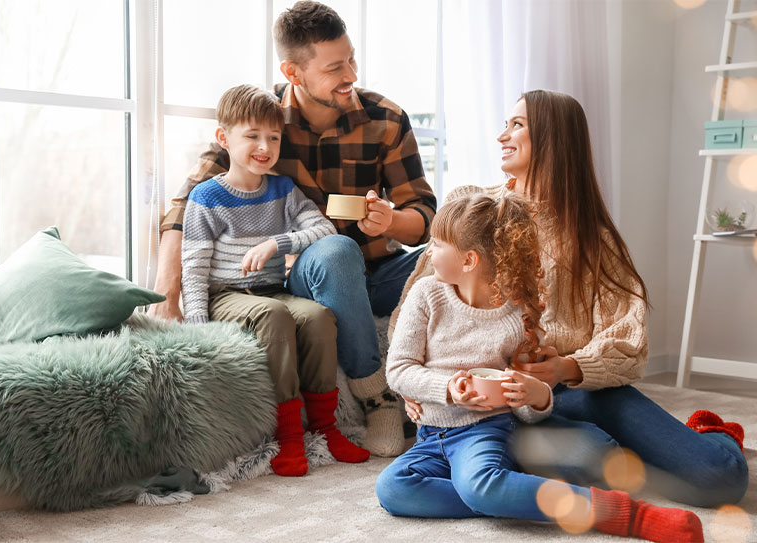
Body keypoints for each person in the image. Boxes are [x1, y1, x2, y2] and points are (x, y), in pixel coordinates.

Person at [393, 89, 748, 507]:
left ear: (553, 139)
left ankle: (711, 433)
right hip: (493, 410)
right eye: (505, 124)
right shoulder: (472, 207)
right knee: (597, 466)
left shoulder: (592, 239)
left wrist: (565, 367)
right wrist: (420, 387)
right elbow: (413, 310)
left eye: (517, 125)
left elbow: (629, 344)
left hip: (575, 392)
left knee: (719, 479)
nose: (501, 135)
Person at [152, 1, 437, 457]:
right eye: (335, 67)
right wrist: (169, 296)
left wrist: (390, 218)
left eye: (351, 59)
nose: (351, 74)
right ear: (293, 71)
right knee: (338, 248)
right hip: (312, 274)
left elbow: (423, 213)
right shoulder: (261, 122)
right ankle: (377, 395)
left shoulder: (386, 119)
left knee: (446, 259)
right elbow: (185, 204)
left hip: (380, 274)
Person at [376, 193, 704, 543]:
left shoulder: (518, 317)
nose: (428, 251)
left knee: (481, 484)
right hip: (431, 434)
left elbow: (526, 406)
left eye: (438, 244)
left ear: (469, 259)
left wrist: (537, 397)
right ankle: (506, 492)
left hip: (484, 432)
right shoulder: (426, 294)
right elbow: (399, 369)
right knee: (393, 490)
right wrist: (446, 388)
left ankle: (620, 514)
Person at [182, 84, 369, 476]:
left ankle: (326, 427)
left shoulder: (283, 190)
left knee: (317, 316)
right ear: (224, 139)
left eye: (273, 137)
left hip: (273, 289)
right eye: (252, 136)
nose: (264, 147)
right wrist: (197, 327)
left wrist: (277, 242)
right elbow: (195, 269)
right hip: (227, 294)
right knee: (274, 316)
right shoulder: (205, 197)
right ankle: (289, 438)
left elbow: (322, 228)